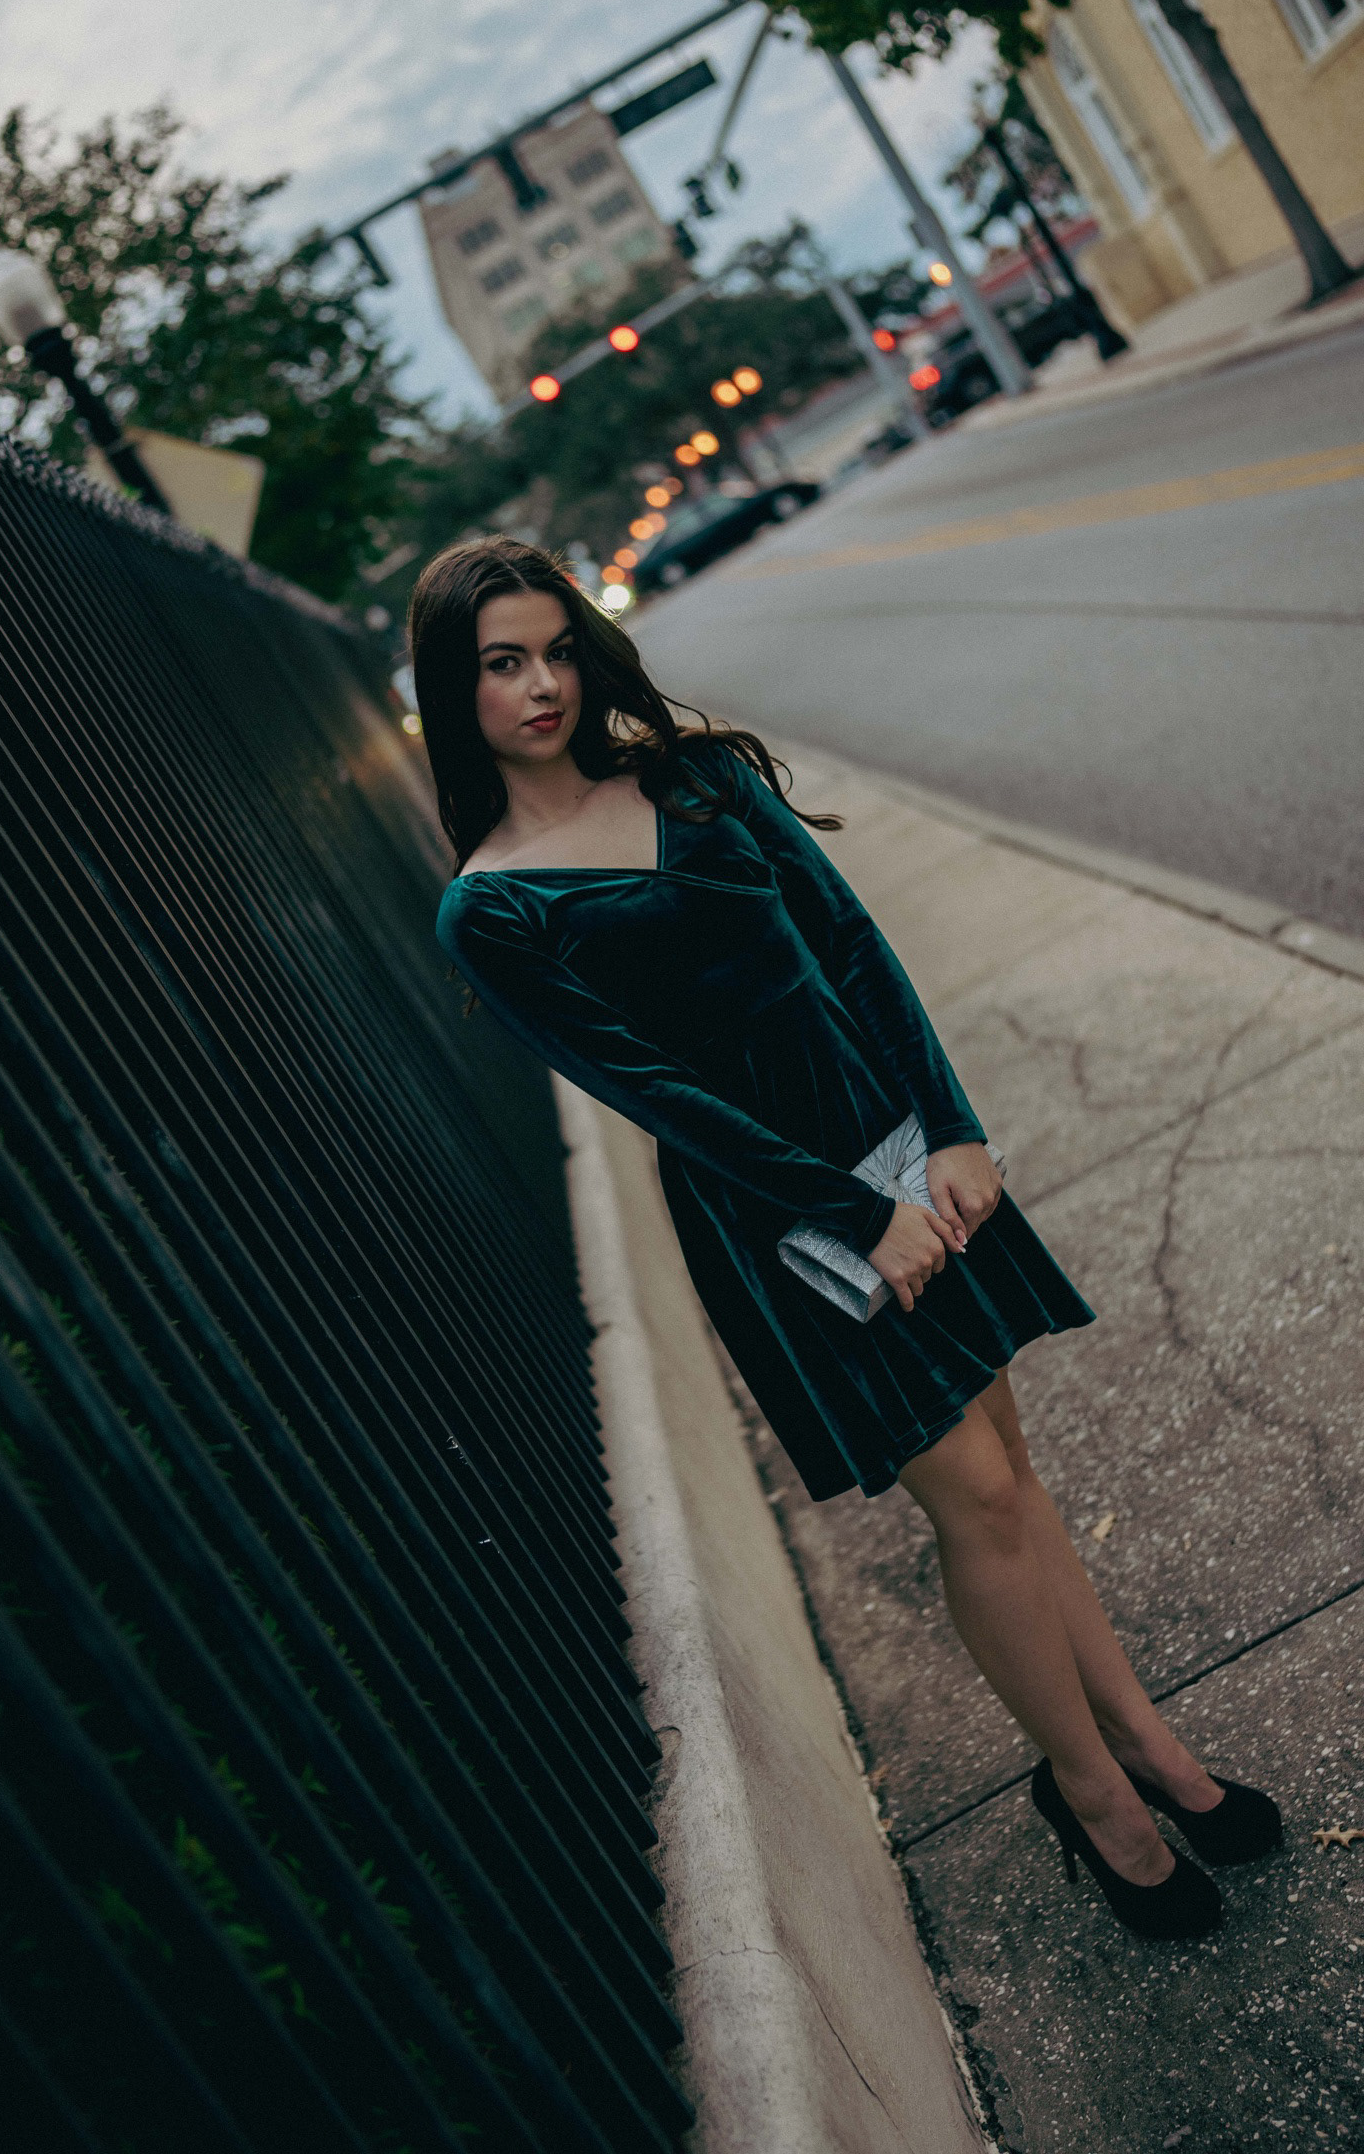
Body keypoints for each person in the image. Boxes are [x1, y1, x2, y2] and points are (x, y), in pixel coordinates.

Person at [409, 535, 1281, 1942]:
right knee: (973, 1498)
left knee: (1015, 1477)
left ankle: (1148, 1749)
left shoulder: (697, 779)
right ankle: (1093, 1798)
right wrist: (859, 1213)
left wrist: (952, 1128)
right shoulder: (491, 907)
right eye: (503, 663)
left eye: (558, 650)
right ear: (456, 690)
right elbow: (662, 1097)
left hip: (896, 1135)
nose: (542, 685)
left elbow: (853, 946)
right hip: (781, 1217)